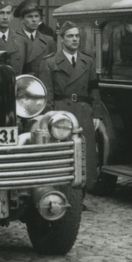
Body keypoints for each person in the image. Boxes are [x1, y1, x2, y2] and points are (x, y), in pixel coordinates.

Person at [38, 22, 99, 190]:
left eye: (77, 36)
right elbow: (47, 94)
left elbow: (94, 89)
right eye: (70, 36)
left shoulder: (88, 61)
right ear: (62, 39)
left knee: (84, 154)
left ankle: (81, 193)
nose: (74, 39)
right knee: (62, 153)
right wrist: (49, 118)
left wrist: (96, 114)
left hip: (83, 111)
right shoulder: (50, 62)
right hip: (61, 112)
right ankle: (61, 191)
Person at [12, 0, 55, 77]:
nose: (34, 20)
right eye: (30, 17)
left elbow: (53, 67)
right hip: (22, 81)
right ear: (22, 19)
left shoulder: (48, 41)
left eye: (36, 16)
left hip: (41, 82)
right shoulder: (13, 39)